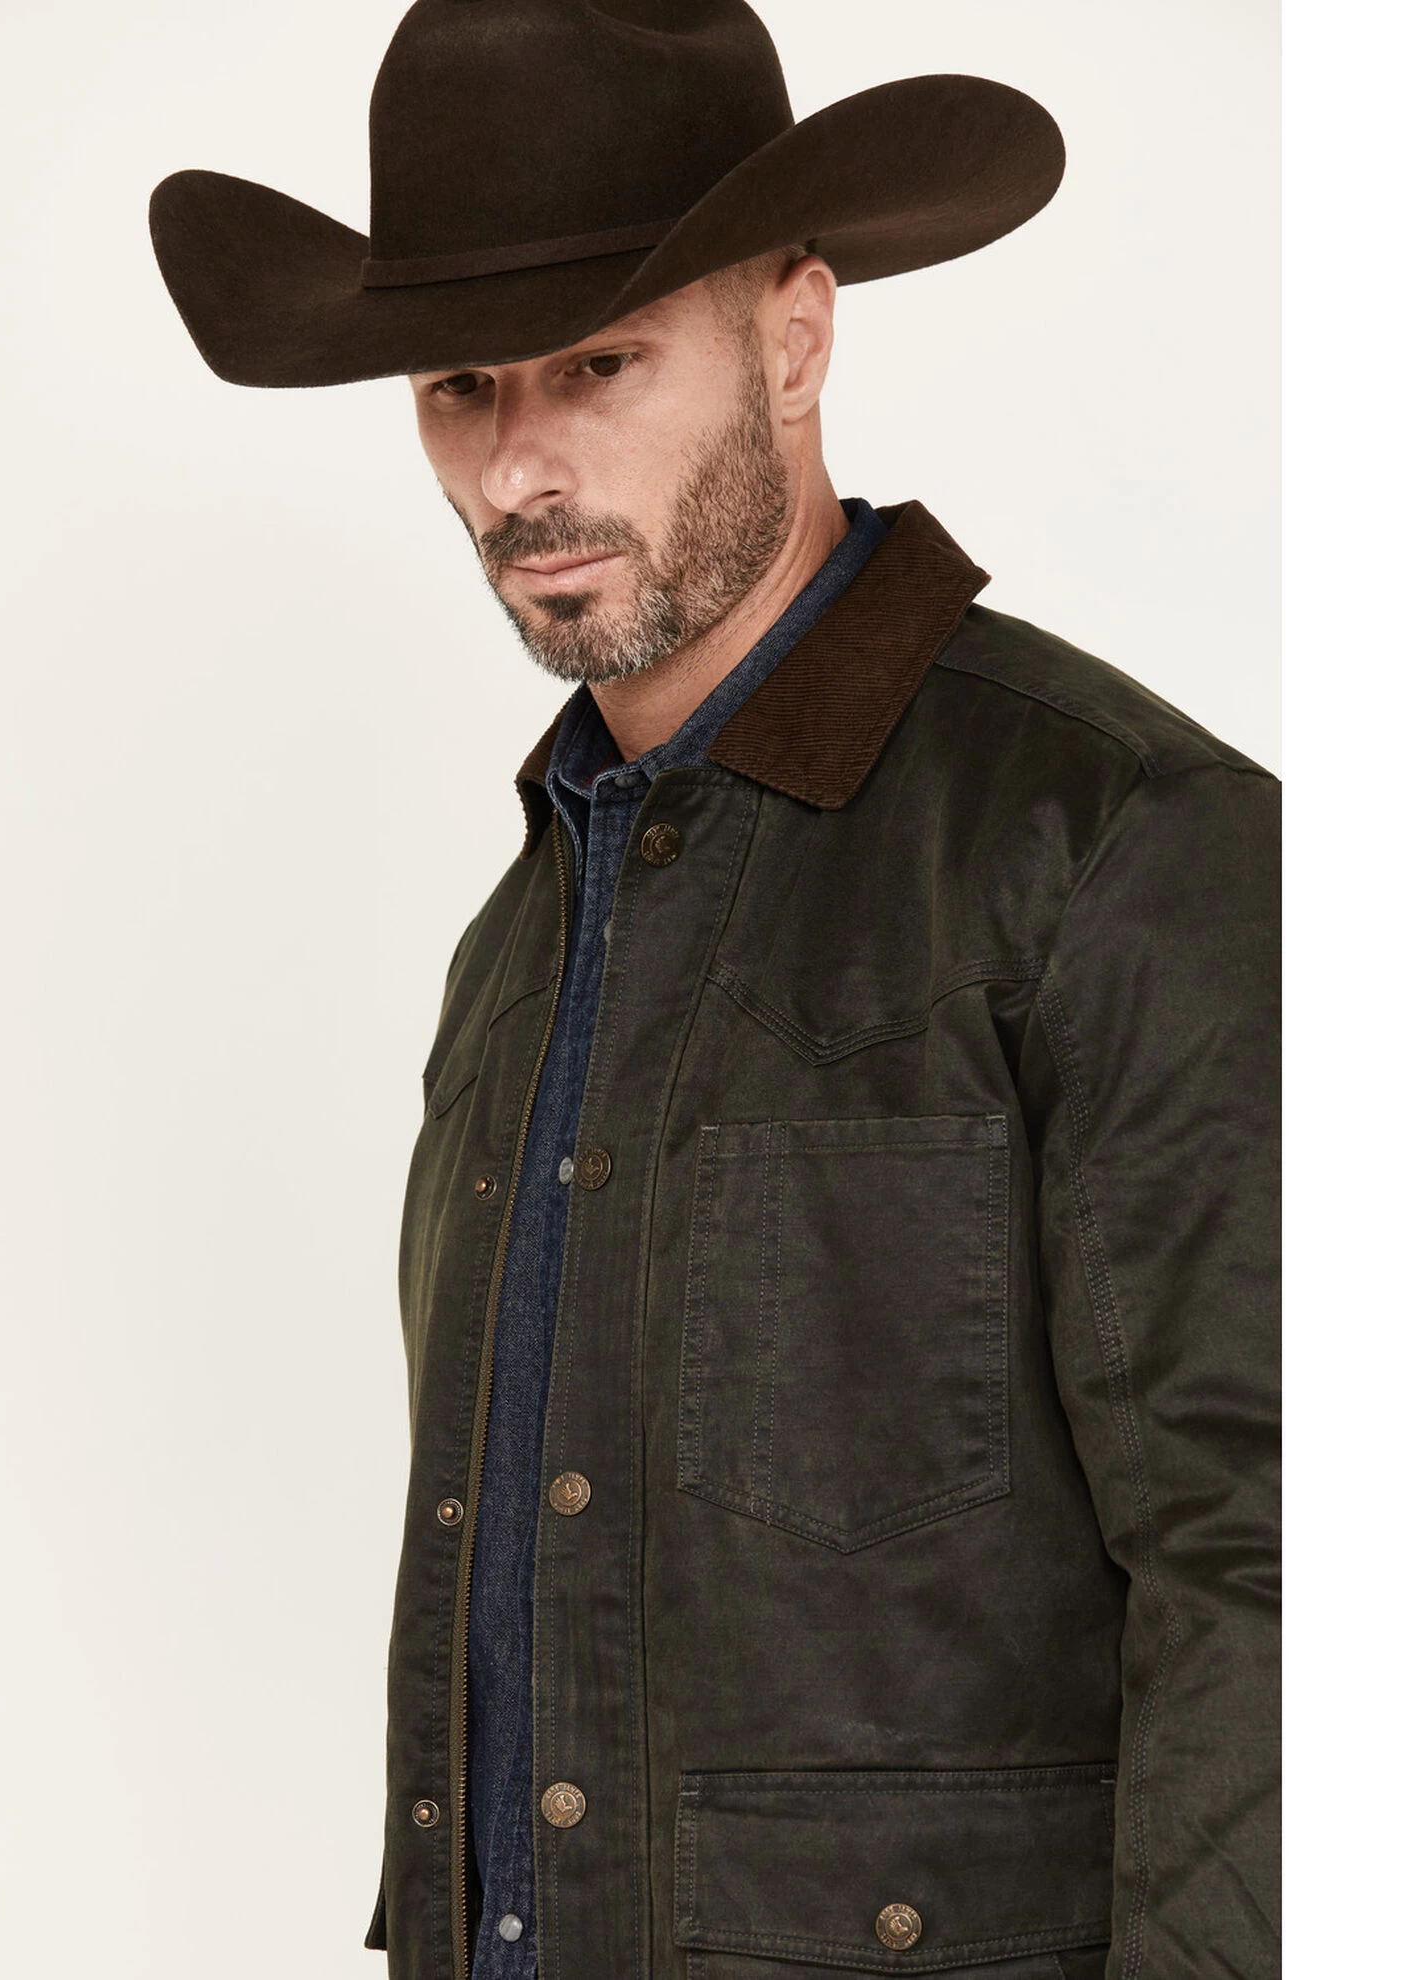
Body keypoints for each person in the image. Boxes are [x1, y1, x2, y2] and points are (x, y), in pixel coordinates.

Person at [149, 5, 1281, 1977]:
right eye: (461, 384)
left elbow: (1278, 1568)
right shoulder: (520, 949)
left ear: (795, 336)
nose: (520, 466)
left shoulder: (1115, 840)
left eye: (600, 361)